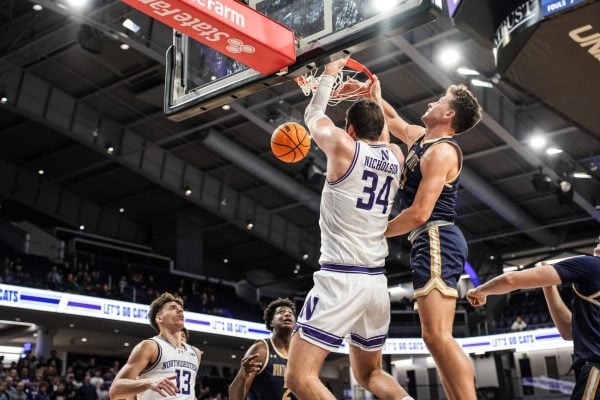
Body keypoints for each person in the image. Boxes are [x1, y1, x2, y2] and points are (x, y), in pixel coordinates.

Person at [284, 58, 411, 400]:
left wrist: (328, 74)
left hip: (341, 279)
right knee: (371, 374)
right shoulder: (395, 156)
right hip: (375, 284)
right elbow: (382, 137)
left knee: (299, 378)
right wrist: (374, 97)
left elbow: (313, 116)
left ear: (350, 131)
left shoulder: (343, 148)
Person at [372, 81, 482, 400]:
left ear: (448, 113)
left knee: (437, 336)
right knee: (433, 337)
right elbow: (392, 121)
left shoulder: (442, 152)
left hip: (437, 235)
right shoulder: (421, 139)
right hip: (429, 239)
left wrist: (374, 232)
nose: (431, 102)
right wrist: (374, 94)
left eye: (440, 100)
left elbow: (420, 213)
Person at [467, 237, 600, 400]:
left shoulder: (592, 265)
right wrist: (548, 285)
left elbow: (511, 280)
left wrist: (480, 291)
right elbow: (569, 332)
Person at [109, 292, 201, 400]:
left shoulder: (195, 353)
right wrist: (148, 382)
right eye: (173, 308)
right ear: (159, 318)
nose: (180, 310)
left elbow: (187, 393)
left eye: (181, 308)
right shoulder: (150, 346)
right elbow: (115, 391)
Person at [228, 298, 297, 400]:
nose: (287, 314)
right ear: (271, 322)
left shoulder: (299, 355)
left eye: (290, 313)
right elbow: (234, 398)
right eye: (281, 312)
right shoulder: (261, 350)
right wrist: (242, 375)